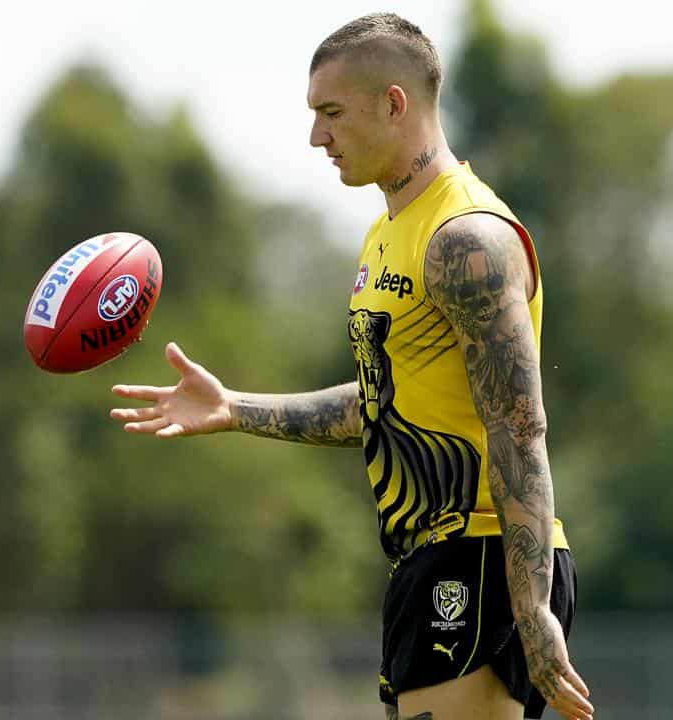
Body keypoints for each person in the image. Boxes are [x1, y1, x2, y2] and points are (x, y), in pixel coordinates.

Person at [110, 14, 594, 720]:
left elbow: (520, 428)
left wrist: (533, 608)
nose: (316, 136)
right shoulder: (386, 233)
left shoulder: (467, 241)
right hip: (429, 561)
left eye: (330, 112)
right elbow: (385, 402)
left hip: (483, 556)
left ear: (394, 103)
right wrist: (235, 409)